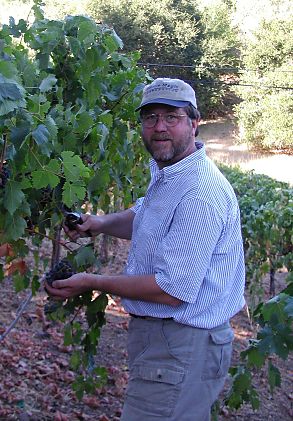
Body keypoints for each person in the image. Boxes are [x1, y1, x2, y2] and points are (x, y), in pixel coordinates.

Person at [46, 78, 246, 421]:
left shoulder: (199, 193)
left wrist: (92, 281)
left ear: (194, 122)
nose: (159, 127)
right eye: (150, 117)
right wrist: (101, 223)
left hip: (182, 345)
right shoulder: (172, 173)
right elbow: (146, 216)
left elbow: (171, 290)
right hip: (172, 344)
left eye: (172, 117)